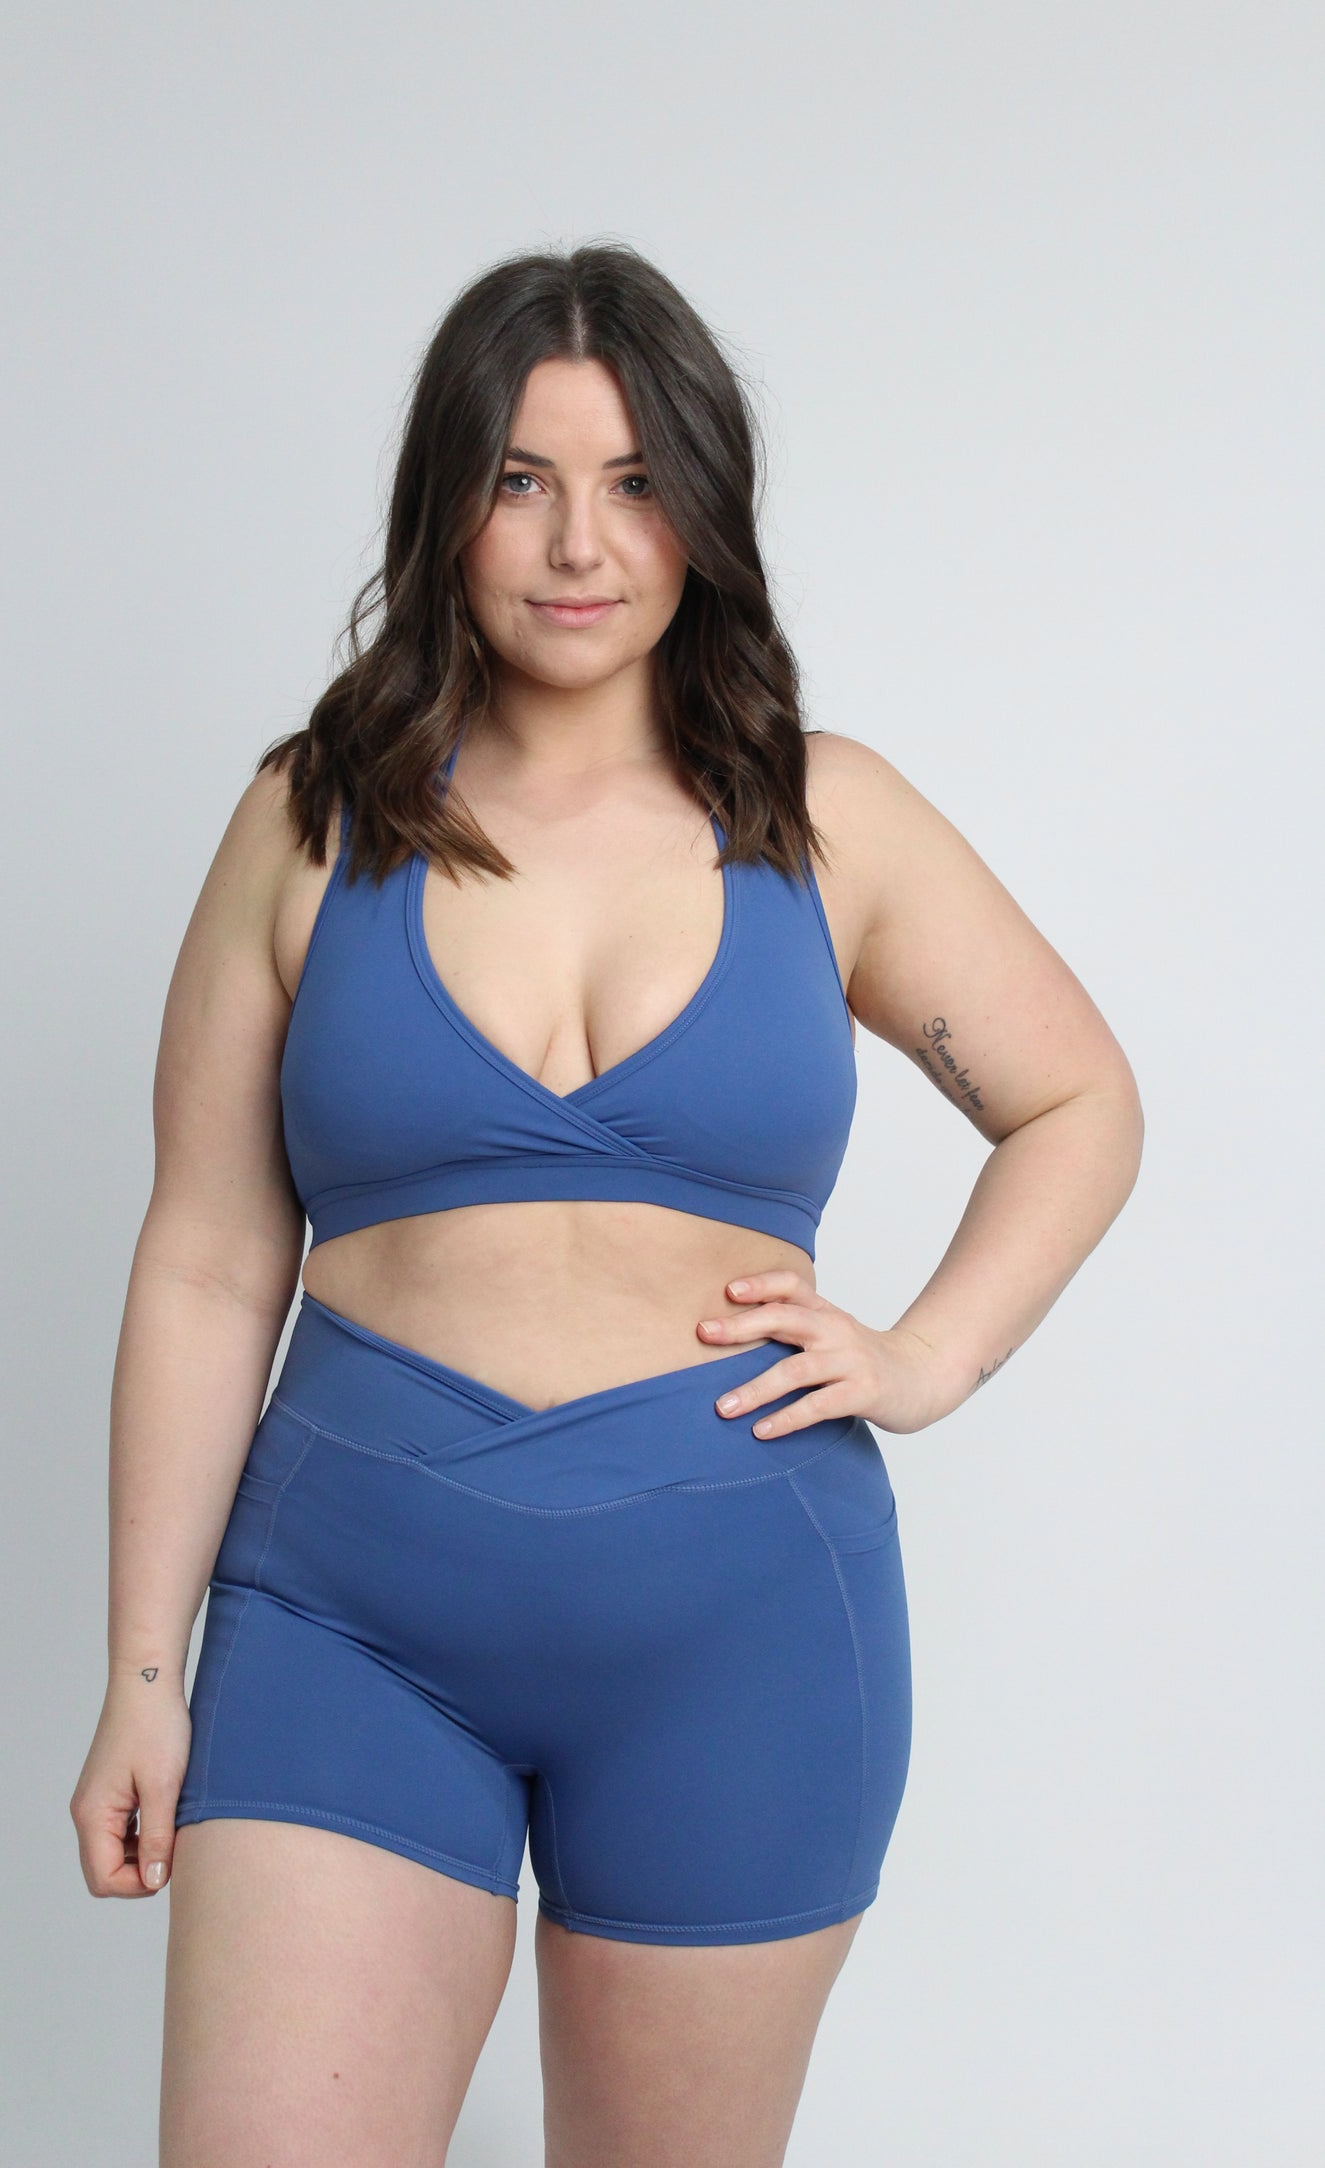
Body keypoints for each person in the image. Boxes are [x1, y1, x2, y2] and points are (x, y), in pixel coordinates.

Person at [70, 243, 1144, 2167]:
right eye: (521, 480)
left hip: (740, 1632)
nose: (579, 544)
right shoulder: (311, 816)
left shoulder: (827, 817)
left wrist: (925, 1357)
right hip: (344, 1623)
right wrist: (144, 1677)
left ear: (702, 512)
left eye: (635, 482)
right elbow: (211, 1259)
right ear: (446, 505)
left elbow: (1075, 1102)